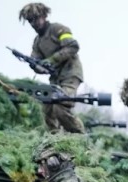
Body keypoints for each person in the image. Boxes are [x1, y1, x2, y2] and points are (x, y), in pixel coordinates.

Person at [19, 2, 86, 134]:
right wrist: (35, 65)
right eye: (30, 21)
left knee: (60, 105)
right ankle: (54, 140)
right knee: (47, 109)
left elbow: (72, 46)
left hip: (70, 73)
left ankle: (80, 136)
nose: (33, 23)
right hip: (56, 79)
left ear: (44, 16)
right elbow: (38, 63)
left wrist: (51, 60)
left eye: (35, 19)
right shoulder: (37, 42)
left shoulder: (58, 29)